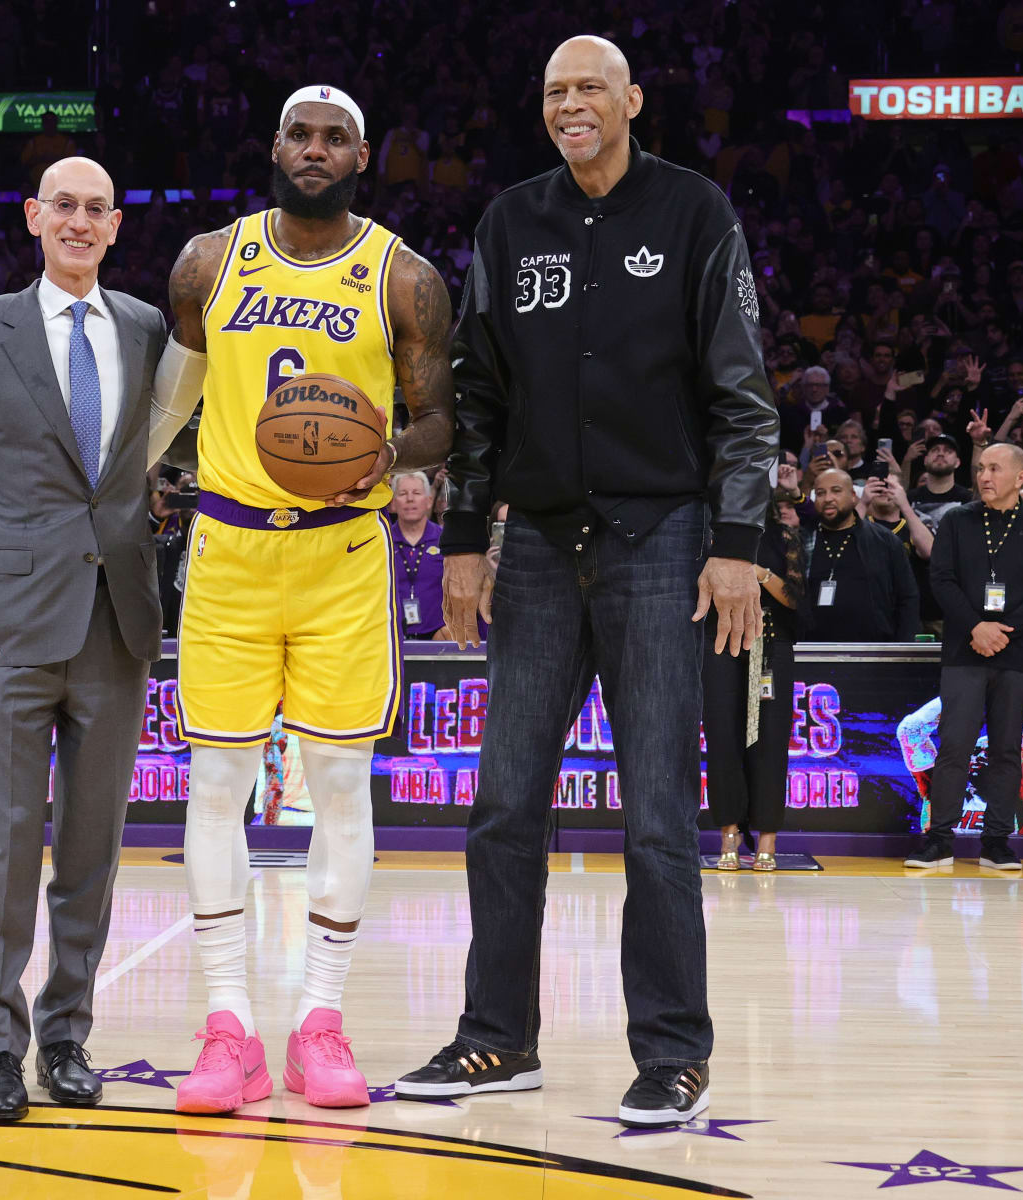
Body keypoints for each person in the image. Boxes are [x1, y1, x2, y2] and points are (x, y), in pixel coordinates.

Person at [396, 37, 777, 1129]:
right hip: (537, 548)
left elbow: (744, 395)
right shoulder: (511, 223)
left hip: (662, 541)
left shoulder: (696, 212)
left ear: (631, 102)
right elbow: (473, 397)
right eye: (556, 90)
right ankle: (495, 1041)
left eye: (590, 89)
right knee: (503, 804)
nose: (572, 104)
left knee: (656, 815)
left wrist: (739, 539)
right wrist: (464, 536)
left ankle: (672, 1053)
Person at [160, 84, 454, 1117]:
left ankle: (320, 1024)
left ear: (364, 156)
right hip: (230, 549)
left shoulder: (404, 277)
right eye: (300, 133)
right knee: (214, 786)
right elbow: (173, 395)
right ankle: (229, 1028)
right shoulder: (207, 260)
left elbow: (442, 424)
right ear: (275, 144)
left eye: (336, 137)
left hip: (341, 555)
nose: (316, 149)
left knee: (338, 784)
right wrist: (118, 490)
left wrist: (377, 452)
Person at [0, 156, 168, 1123]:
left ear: (115, 226)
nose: (78, 221)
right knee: (6, 843)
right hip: (15, 624)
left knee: (93, 847)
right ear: (33, 217)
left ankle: (67, 1036)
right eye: (61, 205)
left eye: (96, 209)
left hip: (119, 623)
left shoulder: (151, 329)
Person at [906, 443, 1023, 870]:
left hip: (1016, 652)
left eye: (995, 468)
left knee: (1006, 748)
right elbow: (941, 579)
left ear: (1021, 477)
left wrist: (1002, 630)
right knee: (954, 746)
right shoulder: (957, 520)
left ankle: (997, 841)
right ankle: (939, 839)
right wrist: (977, 627)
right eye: (980, 468)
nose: (984, 476)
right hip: (964, 647)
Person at [704, 499, 805, 871]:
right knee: (722, 739)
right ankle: (728, 834)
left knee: (770, 743)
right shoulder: (708, 537)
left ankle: (767, 838)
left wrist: (757, 573)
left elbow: (795, 598)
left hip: (770, 645)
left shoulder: (783, 536)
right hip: (719, 641)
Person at [802, 469, 921, 642]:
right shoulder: (803, 539)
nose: (828, 498)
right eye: (820, 493)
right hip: (812, 649)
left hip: (874, 651)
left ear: (853, 496)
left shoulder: (884, 540)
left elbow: (907, 596)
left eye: (836, 490)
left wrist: (904, 648)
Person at [389, 471, 446, 639]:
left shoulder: (445, 541)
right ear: (392, 503)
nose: (410, 499)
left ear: (429, 501)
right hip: (393, 635)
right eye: (402, 494)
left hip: (439, 635)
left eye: (417, 493)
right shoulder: (382, 542)